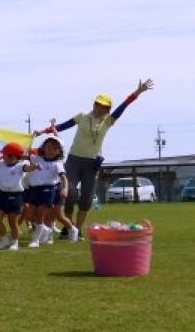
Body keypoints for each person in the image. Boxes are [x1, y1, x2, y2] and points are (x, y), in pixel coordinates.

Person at [35, 79, 153, 234]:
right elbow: (62, 126)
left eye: (104, 106)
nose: (99, 108)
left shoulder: (109, 121)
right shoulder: (82, 116)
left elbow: (124, 106)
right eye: (98, 104)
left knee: (86, 199)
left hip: (92, 163)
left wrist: (138, 92)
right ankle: (68, 227)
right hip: (74, 159)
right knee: (69, 193)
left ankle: (77, 229)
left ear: (108, 109)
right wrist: (43, 131)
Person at [26, 135, 77, 247]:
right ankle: (47, 232)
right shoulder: (37, 158)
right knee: (29, 215)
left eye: (55, 148)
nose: (51, 150)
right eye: (48, 147)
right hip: (37, 189)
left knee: (58, 215)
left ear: (59, 151)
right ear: (43, 147)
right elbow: (24, 155)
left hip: (53, 189)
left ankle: (73, 230)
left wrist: (65, 189)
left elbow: (64, 178)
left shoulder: (57, 164)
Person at [0, 142, 37, 251]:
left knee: (13, 222)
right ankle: (4, 240)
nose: (2, 156)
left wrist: (34, 167)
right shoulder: (1, 163)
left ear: (12, 156)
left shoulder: (20, 166)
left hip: (15, 196)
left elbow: (27, 168)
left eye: (5, 154)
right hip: (2, 195)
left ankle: (15, 242)